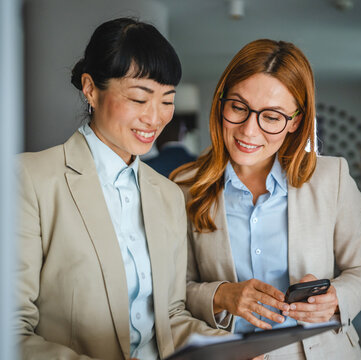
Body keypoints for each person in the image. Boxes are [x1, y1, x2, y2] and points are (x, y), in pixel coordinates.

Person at [16, 18, 227, 360]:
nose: (155, 118)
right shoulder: (31, 179)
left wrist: (228, 349)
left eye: (167, 100)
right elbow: (11, 330)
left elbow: (171, 318)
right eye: (139, 98)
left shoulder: (168, 194)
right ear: (90, 89)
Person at [171, 39, 361, 359]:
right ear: (221, 102)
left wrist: (336, 296)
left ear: (295, 121)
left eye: (271, 117)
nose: (249, 132)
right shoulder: (185, 186)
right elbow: (174, 292)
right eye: (239, 108)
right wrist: (223, 295)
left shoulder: (332, 177)